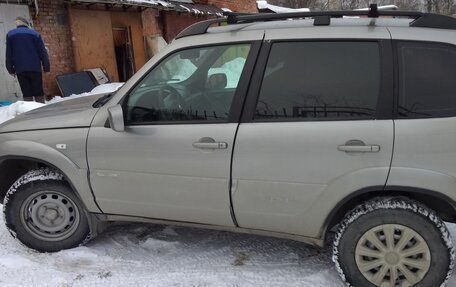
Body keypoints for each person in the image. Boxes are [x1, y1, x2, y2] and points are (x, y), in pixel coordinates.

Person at [5, 17, 50, 103]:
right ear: (27, 24)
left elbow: (9, 53)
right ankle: (40, 109)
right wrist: (46, 67)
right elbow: (42, 52)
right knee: (38, 91)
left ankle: (29, 111)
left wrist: (10, 69)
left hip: (20, 68)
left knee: (26, 92)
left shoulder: (10, 34)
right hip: (34, 68)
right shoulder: (35, 34)